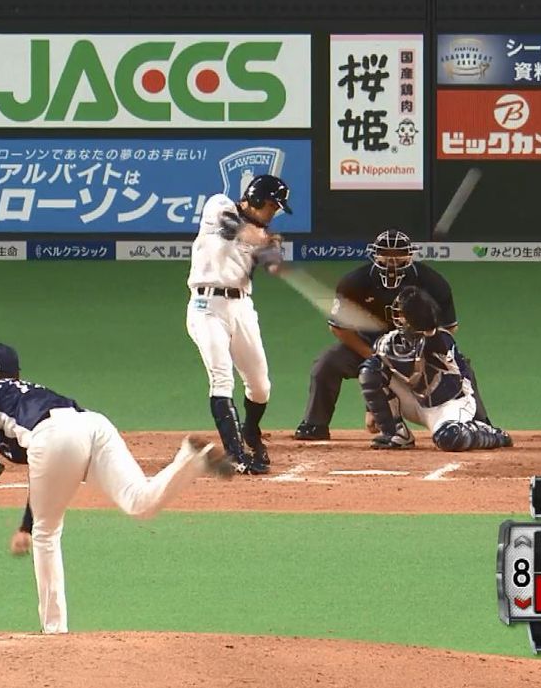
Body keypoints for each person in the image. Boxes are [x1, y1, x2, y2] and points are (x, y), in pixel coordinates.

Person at [0, 343, 232, 634]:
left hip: (53, 437)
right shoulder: (33, 392)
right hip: (92, 425)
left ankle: (54, 629)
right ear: (18, 374)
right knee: (139, 501)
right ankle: (192, 457)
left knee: (46, 534)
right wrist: (25, 526)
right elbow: (45, 471)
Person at [293, 229, 494, 442]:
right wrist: (374, 356)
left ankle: (480, 422)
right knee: (327, 364)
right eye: (386, 253)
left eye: (398, 253)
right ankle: (315, 424)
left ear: (410, 254)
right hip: (367, 346)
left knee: (462, 368)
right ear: (375, 254)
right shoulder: (355, 282)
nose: (392, 259)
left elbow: (447, 329)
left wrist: (420, 354)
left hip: (418, 348)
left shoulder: (432, 282)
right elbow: (339, 328)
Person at [185, 173, 289, 474]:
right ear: (256, 199)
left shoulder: (263, 235)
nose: (274, 212)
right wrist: (262, 240)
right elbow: (233, 228)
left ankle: (250, 432)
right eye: (272, 205)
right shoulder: (219, 205)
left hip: (242, 307)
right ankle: (235, 455)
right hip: (207, 307)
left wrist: (272, 256)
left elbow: (270, 262)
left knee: (260, 387)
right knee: (222, 378)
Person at [359, 287, 513, 451]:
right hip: (416, 402)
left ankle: (492, 434)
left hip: (451, 404)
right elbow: (375, 373)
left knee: (449, 438)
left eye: (405, 314)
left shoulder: (441, 339)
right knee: (370, 370)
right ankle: (396, 434)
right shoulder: (387, 342)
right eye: (400, 314)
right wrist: (372, 409)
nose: (401, 319)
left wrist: (428, 325)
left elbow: (432, 341)